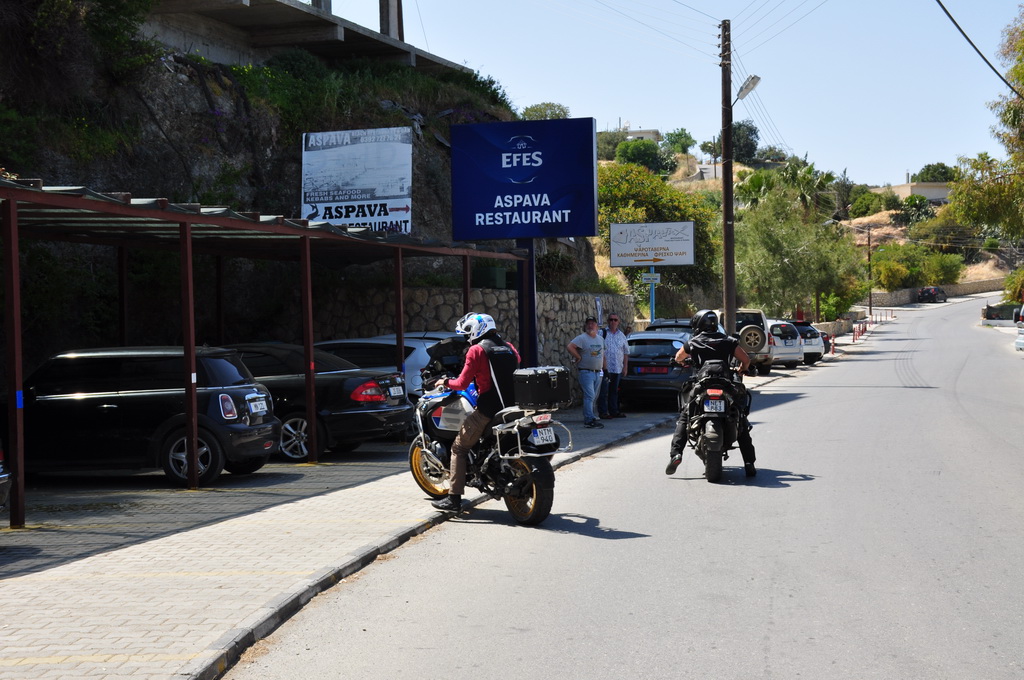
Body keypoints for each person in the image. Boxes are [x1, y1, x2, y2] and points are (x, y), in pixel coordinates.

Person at [430, 312, 521, 512]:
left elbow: (462, 383)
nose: (466, 338)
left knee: (459, 448)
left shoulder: (477, 350)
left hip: (489, 409)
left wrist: (444, 381)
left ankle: (453, 499)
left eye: (467, 333)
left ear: (475, 330)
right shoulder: (509, 347)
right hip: (513, 408)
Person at [665, 309, 757, 477]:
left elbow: (678, 357)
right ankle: (749, 462)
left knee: (685, 417)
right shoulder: (728, 341)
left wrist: (684, 362)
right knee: (740, 419)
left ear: (698, 325)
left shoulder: (693, 342)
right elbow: (746, 359)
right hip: (726, 386)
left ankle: (676, 454)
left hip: (702, 386)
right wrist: (741, 369)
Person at [567, 316, 605, 428]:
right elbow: (570, 346)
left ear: (596, 326)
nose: (590, 325)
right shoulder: (582, 338)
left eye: (593, 323)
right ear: (585, 325)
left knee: (593, 396)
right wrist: (578, 356)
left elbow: (603, 355)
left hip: (598, 372)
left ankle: (590, 415)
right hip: (586, 372)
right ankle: (589, 419)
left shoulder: (600, 339)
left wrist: (605, 369)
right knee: (589, 395)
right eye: (588, 323)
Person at [597, 312, 629, 419]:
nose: (613, 322)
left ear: (618, 322)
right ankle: (603, 412)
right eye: (611, 320)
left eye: (615, 320)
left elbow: (626, 352)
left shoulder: (622, 335)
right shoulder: (601, 333)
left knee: (614, 391)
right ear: (608, 321)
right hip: (605, 368)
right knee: (603, 392)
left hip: (617, 368)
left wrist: (625, 367)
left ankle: (614, 411)